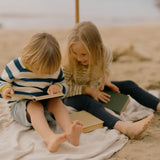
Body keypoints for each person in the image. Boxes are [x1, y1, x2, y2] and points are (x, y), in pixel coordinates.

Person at [62, 21, 159, 139]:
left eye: (83, 54)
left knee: (129, 84)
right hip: (73, 96)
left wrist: (105, 79)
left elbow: (106, 66)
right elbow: (65, 89)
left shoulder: (105, 51)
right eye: (75, 53)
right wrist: (89, 91)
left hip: (96, 87)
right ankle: (126, 127)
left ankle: (158, 105)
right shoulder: (68, 63)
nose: (79, 58)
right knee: (91, 103)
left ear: (96, 48)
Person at [0, 33, 83, 152]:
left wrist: (57, 87)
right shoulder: (15, 67)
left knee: (57, 101)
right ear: (29, 59)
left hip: (45, 104)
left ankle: (70, 131)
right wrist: (6, 89)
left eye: (48, 72)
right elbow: (2, 82)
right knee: (34, 106)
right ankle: (50, 138)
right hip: (21, 108)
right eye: (40, 70)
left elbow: (63, 84)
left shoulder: (54, 68)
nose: (44, 74)